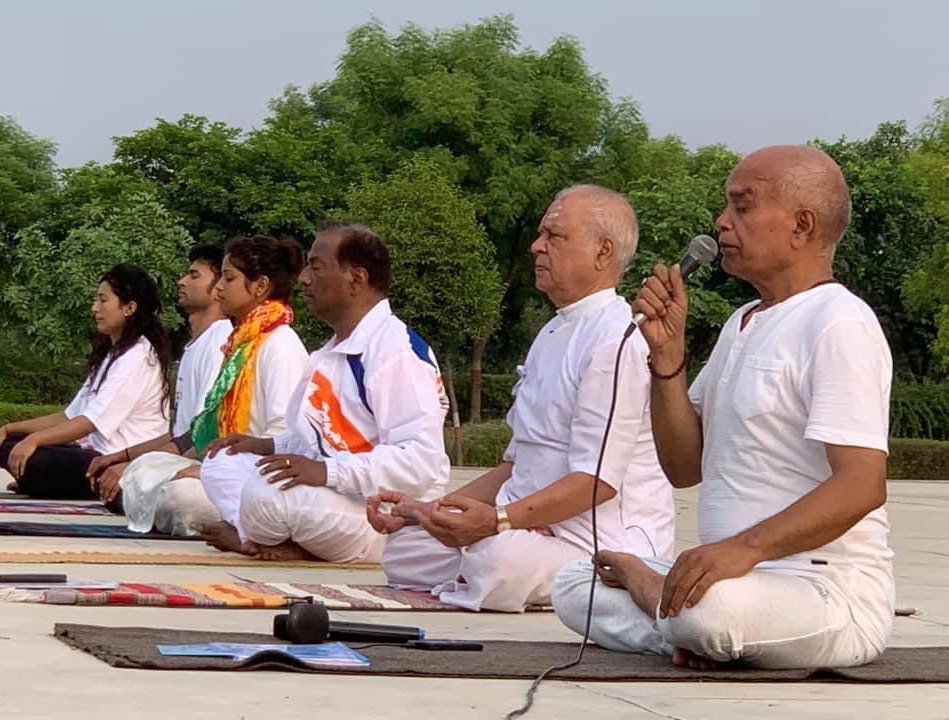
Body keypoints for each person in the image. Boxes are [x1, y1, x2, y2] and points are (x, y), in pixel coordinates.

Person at [552, 145, 894, 671]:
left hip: (824, 589)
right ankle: (688, 628)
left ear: (801, 226)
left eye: (743, 206)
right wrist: (667, 359)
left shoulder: (839, 322)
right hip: (737, 579)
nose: (722, 222)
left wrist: (744, 550)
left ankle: (678, 613)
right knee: (573, 583)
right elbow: (684, 466)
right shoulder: (742, 323)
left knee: (708, 610)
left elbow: (862, 485)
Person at [367, 185, 675, 611]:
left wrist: (497, 522)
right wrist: (432, 510)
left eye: (554, 236)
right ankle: (487, 560)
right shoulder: (551, 333)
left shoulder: (615, 339)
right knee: (407, 547)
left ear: (603, 252)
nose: (536, 247)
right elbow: (518, 465)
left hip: (599, 540)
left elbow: (597, 482)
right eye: (540, 235)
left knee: (497, 559)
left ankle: (580, 578)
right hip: (524, 525)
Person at [200, 221, 450, 563]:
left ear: (356, 279)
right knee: (220, 464)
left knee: (268, 496)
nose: (303, 278)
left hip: (381, 513)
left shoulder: (395, 352)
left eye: (316, 267)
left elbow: (422, 463)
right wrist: (268, 445)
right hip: (331, 495)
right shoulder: (331, 352)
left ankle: (251, 535)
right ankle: (262, 538)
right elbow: (322, 439)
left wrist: (327, 473)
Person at [87, 235, 309, 533]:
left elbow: (285, 439)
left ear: (260, 286)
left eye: (228, 279)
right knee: (142, 472)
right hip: (227, 469)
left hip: (258, 476)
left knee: (181, 498)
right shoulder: (241, 345)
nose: (218, 287)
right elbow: (207, 430)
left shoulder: (280, 345)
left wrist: (211, 472)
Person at [0, 263, 172, 510]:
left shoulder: (138, 356)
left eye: (103, 301)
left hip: (113, 461)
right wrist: (11, 428)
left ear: (129, 308)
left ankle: (50, 482)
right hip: (91, 454)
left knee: (33, 454)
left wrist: (34, 441)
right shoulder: (114, 353)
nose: (95, 308)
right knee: (8, 443)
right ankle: (43, 481)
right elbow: (69, 415)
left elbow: (89, 422)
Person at [86, 244, 232, 506]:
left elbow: (200, 437)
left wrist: (132, 466)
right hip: (178, 458)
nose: (182, 281)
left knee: (127, 486)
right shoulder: (196, 345)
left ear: (219, 286)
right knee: (112, 476)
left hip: (197, 467)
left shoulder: (219, 342)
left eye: (194, 275)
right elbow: (180, 432)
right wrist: (123, 457)